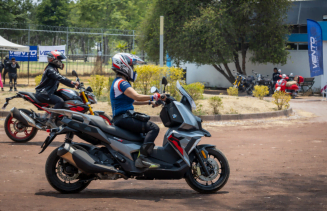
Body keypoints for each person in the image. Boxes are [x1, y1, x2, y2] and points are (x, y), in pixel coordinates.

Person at [110, 53, 163, 169]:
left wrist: (150, 102)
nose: (133, 70)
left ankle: (139, 157)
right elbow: (137, 96)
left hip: (122, 117)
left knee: (143, 135)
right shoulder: (121, 83)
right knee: (154, 128)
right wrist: (155, 96)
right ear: (124, 66)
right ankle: (142, 159)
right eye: (132, 66)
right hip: (123, 118)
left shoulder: (118, 82)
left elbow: (132, 101)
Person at [35, 51, 79, 128]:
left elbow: (61, 79)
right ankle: (50, 121)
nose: (61, 62)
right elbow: (60, 78)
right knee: (60, 101)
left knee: (64, 96)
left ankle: (53, 116)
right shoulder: (50, 70)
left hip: (48, 92)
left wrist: (73, 85)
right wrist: (73, 82)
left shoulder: (54, 69)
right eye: (60, 60)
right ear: (53, 59)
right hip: (44, 93)